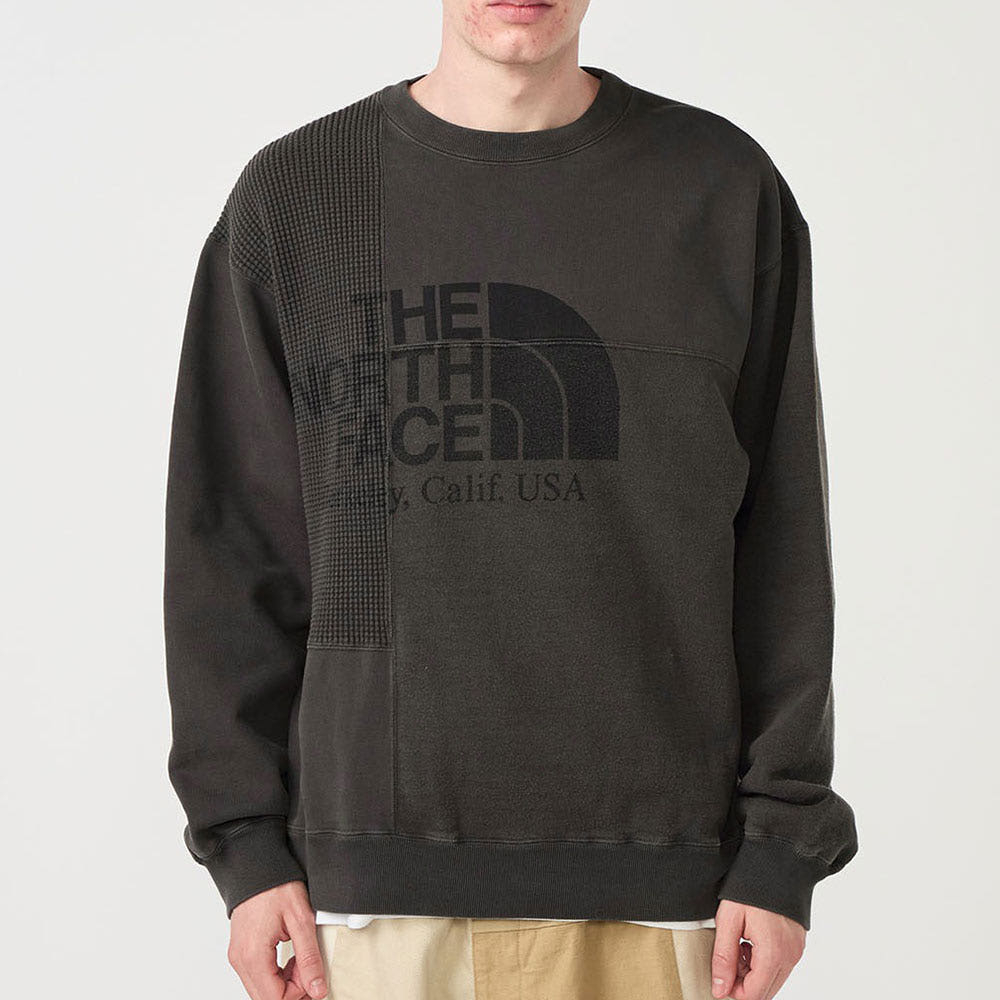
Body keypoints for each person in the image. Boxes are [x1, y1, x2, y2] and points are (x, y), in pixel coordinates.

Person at [163, 1, 859, 998]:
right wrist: (245, 844)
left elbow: (782, 542)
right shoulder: (300, 197)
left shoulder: (720, 188)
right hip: (365, 901)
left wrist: (781, 847)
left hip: (669, 892)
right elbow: (232, 549)